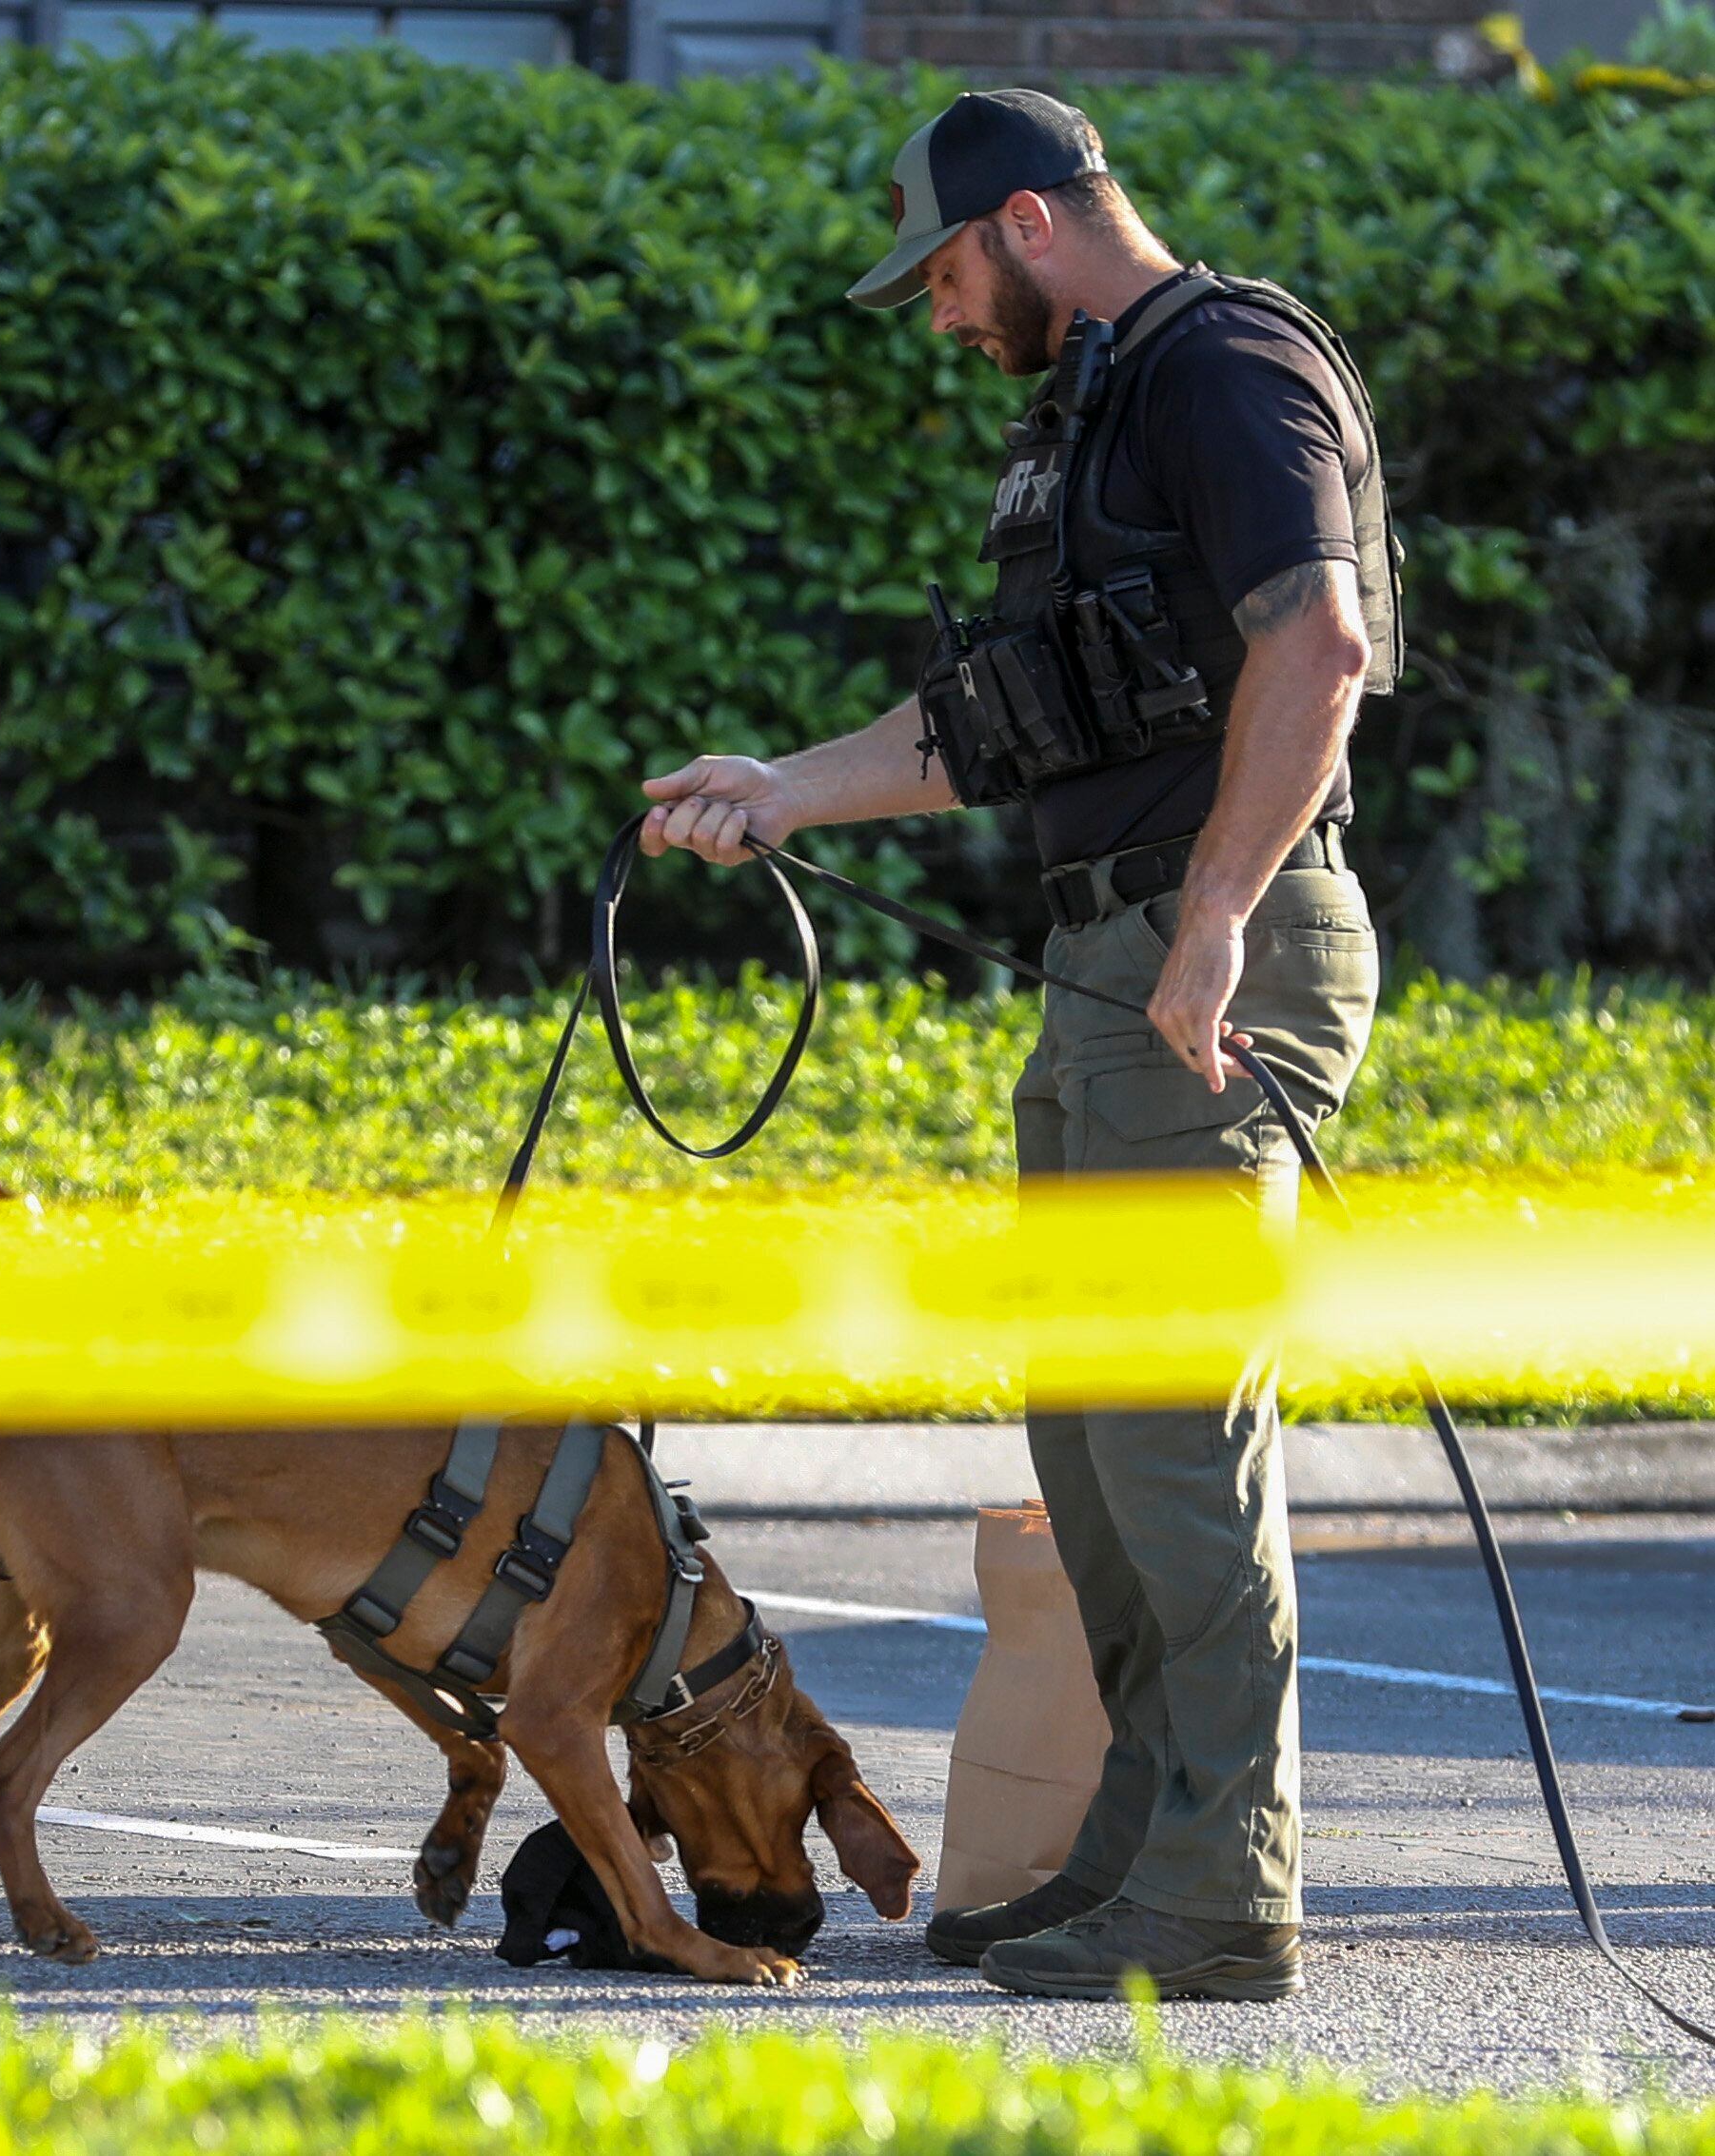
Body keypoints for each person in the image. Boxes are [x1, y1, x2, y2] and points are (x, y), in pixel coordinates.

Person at [639, 88, 1396, 2003]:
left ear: (1036, 220)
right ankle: (1144, 1853)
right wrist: (782, 789)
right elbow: (1001, 712)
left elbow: (1317, 643)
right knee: (1092, 1442)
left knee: (1172, 1441)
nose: (941, 315)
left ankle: (1228, 1891)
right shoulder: (1086, 413)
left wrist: (1217, 912)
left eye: (950, 273)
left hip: (1203, 948)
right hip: (1108, 962)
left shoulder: (1227, 366)